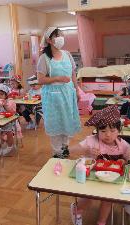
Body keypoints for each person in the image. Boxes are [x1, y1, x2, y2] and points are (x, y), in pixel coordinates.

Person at [70, 105, 130, 225]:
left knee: (107, 200)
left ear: (119, 131)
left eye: (112, 131)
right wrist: (86, 151)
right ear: (97, 131)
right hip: (92, 179)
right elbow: (72, 150)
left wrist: (123, 161)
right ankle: (77, 210)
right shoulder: (92, 141)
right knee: (90, 196)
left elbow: (128, 159)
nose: (108, 135)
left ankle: (101, 222)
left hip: (112, 180)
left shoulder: (123, 145)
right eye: (103, 131)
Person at [37, 27, 81, 158]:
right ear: (49, 40)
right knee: (56, 123)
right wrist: (57, 78)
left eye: (62, 35)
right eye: (57, 36)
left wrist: (77, 90)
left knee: (67, 121)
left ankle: (65, 147)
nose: (61, 38)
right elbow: (40, 79)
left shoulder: (67, 54)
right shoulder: (44, 58)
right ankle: (57, 152)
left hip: (67, 94)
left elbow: (73, 73)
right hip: (53, 96)